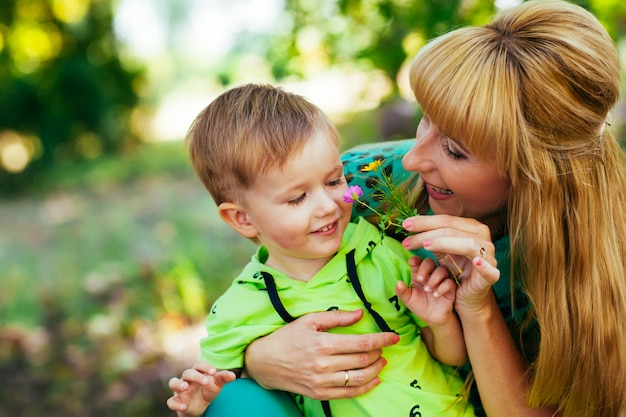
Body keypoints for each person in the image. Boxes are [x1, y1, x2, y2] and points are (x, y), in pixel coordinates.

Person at [199, 1, 626, 416]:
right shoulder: (363, 182)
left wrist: (476, 308)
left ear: (534, 172)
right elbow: (284, 271)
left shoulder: (598, 258)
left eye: (454, 150)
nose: (412, 159)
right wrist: (261, 359)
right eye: (426, 118)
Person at [166, 83, 476, 417]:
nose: (328, 206)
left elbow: (453, 356)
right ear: (241, 219)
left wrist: (441, 323)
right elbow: (217, 390)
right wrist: (196, 402)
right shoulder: (242, 306)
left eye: (333, 181)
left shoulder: (381, 253)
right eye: (297, 198)